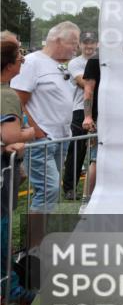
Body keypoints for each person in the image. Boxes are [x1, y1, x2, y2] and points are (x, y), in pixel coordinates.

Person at [11, 22, 79, 211]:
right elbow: (17, 102)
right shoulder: (31, 63)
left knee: (51, 190)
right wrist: (38, 133)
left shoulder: (59, 65)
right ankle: (36, 231)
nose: (76, 48)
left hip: (59, 139)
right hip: (42, 141)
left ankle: (43, 228)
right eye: (73, 43)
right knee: (49, 189)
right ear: (58, 40)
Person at [2, 40, 36, 305]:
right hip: (3, 173)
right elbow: (11, 135)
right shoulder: (6, 95)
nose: (23, 60)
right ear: (8, 63)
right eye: (19, 56)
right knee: (3, 226)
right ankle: (10, 288)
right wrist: (30, 133)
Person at [64, 31, 97, 198]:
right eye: (85, 42)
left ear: (97, 44)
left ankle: (95, 187)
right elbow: (84, 84)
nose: (89, 46)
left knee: (98, 150)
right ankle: (70, 188)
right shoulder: (75, 63)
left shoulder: (101, 61)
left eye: (92, 42)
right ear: (80, 45)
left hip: (100, 108)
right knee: (77, 149)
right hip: (80, 109)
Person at [81, 50, 102, 201]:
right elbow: (88, 90)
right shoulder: (95, 59)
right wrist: (88, 117)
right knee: (96, 159)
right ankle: (85, 201)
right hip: (102, 118)